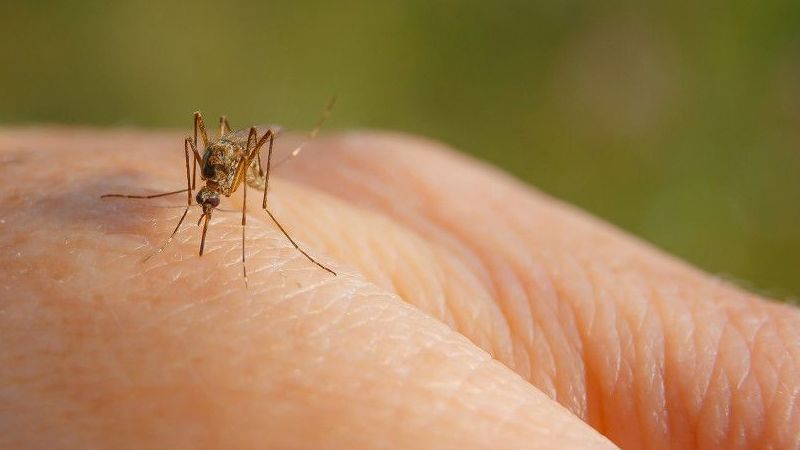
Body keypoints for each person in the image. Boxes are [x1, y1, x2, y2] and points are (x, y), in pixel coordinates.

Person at [0, 129, 797, 449]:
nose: (207, 211)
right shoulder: (201, 176)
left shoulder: (237, 174)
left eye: (206, 203)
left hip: (250, 173)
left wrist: (256, 205)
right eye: (206, 201)